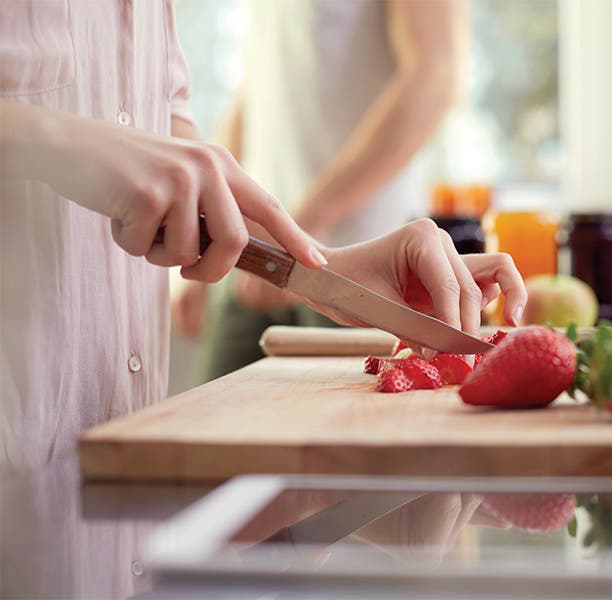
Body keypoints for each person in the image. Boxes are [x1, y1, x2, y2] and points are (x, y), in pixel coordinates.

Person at [0, 1, 526, 469]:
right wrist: (248, 235)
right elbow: (236, 103)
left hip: (291, 251)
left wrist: (309, 250)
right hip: (253, 254)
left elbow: (436, 75)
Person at [170, 0, 470, 382]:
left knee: (350, 436)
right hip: (252, 257)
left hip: (364, 269)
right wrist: (203, 234)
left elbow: (436, 77)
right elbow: (255, 93)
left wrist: (305, 223)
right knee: (206, 434)